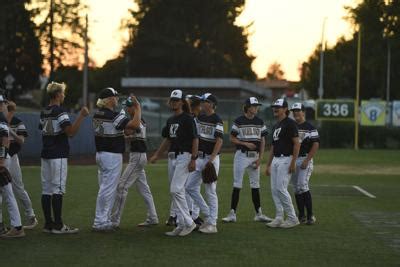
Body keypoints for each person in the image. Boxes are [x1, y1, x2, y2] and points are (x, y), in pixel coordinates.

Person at [39, 82, 89, 234]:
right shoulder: (60, 111)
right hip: (58, 154)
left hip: (46, 154)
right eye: (63, 93)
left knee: (46, 190)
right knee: (58, 189)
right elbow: (71, 132)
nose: (64, 95)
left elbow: (43, 129)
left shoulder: (44, 111)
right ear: (58, 94)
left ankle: (48, 224)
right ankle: (59, 225)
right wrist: (81, 116)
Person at [149, 89, 198, 237]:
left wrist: (194, 159)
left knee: (176, 189)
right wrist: (157, 155)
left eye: (177, 100)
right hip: (175, 157)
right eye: (172, 100)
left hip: (186, 156)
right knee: (177, 190)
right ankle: (182, 224)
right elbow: (168, 140)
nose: (174, 102)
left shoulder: (188, 118)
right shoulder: (171, 120)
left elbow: (195, 139)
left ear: (182, 102)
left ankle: (189, 222)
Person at [92, 88, 141, 231]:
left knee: (104, 188)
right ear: (108, 99)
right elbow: (135, 125)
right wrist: (138, 108)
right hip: (111, 155)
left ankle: (103, 219)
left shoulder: (97, 114)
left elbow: (122, 130)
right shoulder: (112, 115)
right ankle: (100, 221)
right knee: (107, 189)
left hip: (101, 154)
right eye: (115, 96)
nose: (117, 99)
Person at [110, 96, 159, 227]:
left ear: (134, 107)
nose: (126, 108)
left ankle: (115, 220)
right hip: (137, 156)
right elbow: (128, 134)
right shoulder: (136, 119)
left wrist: (121, 130)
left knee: (121, 186)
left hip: (137, 157)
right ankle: (153, 217)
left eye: (129, 106)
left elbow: (127, 131)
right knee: (144, 189)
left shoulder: (138, 120)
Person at [222, 97, 272, 223]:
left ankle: (259, 213)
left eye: (257, 106)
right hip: (241, 155)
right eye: (254, 106)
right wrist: (245, 143)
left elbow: (263, 141)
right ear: (247, 107)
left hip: (254, 156)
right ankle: (232, 214)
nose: (256, 108)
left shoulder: (260, 121)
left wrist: (260, 158)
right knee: (237, 184)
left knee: (255, 185)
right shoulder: (239, 121)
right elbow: (232, 138)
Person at [185, 93, 223, 234]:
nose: (203, 103)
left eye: (205, 101)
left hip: (210, 159)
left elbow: (219, 141)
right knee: (190, 187)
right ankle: (208, 215)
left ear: (212, 104)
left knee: (210, 190)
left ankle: (212, 224)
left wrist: (211, 160)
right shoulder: (199, 117)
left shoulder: (217, 119)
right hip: (199, 158)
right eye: (202, 101)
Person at [265, 98, 300, 229]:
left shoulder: (290, 124)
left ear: (285, 109)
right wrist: (268, 164)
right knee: (274, 190)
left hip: (286, 159)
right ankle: (279, 217)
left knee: (280, 188)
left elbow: (297, 144)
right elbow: (273, 147)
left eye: (278, 107)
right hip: (276, 160)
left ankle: (292, 218)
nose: (275, 109)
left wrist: (293, 162)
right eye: (274, 107)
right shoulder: (276, 125)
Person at [4, 101, 37, 229]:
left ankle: (31, 216)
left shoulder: (17, 122)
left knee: (18, 187)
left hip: (12, 157)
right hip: (2, 157)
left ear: (10, 111)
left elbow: (22, 140)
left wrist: (11, 132)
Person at [290, 103, 319, 225]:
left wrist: (307, 160)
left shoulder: (310, 127)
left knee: (302, 185)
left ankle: (310, 215)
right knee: (296, 189)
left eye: (298, 110)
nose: (296, 113)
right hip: (293, 159)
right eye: (294, 111)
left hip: (304, 159)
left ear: (303, 112)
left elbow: (315, 144)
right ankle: (301, 215)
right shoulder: (291, 127)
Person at [0, 96, 25, 238]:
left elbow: (4, 140)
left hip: (1, 159)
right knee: (5, 193)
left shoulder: (1, 119)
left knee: (8, 193)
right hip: (2, 158)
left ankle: (17, 227)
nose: (4, 105)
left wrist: (2, 160)